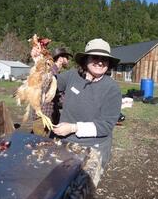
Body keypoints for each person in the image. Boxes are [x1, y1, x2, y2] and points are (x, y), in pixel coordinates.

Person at [52, 38, 122, 169]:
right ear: (86, 59)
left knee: (82, 187)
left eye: (104, 59)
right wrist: (39, 61)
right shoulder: (72, 76)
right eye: (95, 57)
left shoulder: (112, 88)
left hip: (94, 147)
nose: (100, 62)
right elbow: (50, 82)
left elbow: (106, 126)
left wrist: (73, 128)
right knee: (60, 182)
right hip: (65, 141)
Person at [31, 47, 73, 136]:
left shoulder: (55, 72)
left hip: (49, 114)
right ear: (61, 59)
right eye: (67, 58)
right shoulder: (51, 72)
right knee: (39, 144)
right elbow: (58, 95)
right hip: (42, 115)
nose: (68, 61)